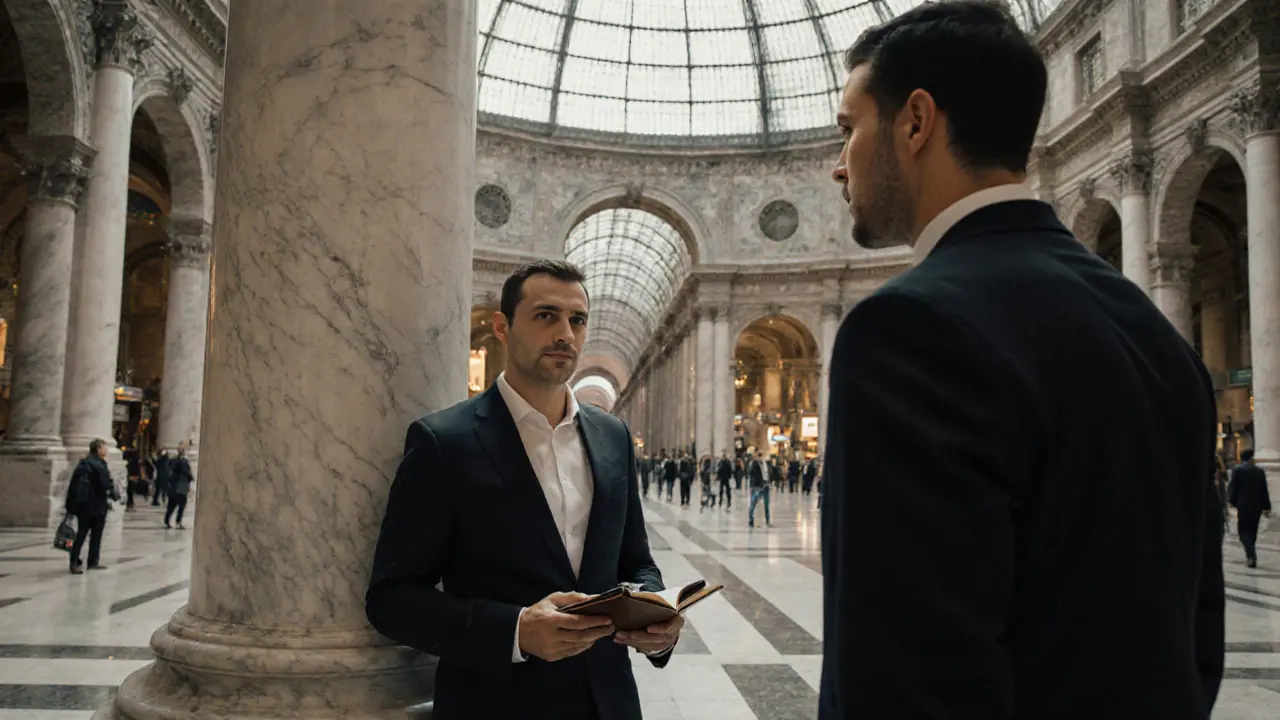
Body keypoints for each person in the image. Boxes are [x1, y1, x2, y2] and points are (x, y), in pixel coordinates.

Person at [820, 3, 1223, 719]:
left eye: (850, 128)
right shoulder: (1156, 336)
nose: (837, 164)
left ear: (916, 122)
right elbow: (1195, 641)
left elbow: (904, 680)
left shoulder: (906, 331)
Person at [366, 260, 681, 720]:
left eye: (577, 320)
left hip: (607, 702)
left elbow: (636, 560)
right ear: (502, 327)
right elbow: (392, 600)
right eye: (545, 315)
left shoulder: (612, 437)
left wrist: (655, 617)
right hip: (495, 703)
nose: (565, 334)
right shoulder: (444, 443)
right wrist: (515, 630)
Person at [68, 438, 117, 573]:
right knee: (95, 534)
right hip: (95, 505)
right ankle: (92, 561)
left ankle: (74, 560)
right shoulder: (98, 464)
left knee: (82, 534)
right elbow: (105, 484)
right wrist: (114, 493)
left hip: (84, 505)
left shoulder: (85, 462)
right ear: (98, 449)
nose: (106, 450)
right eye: (104, 448)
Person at [1228, 449, 1272, 568]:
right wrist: (1267, 506)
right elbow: (1264, 490)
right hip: (1256, 506)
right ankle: (1251, 552)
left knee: (1243, 532)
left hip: (1243, 505)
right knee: (1253, 531)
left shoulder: (1238, 470)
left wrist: (1231, 502)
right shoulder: (1260, 471)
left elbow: (1233, 487)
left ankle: (1251, 555)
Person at [165, 443, 194, 529]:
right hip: (180, 487)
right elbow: (185, 471)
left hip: (176, 486)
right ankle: (177, 521)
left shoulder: (174, 460)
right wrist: (190, 476)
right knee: (180, 505)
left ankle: (168, 521)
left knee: (172, 506)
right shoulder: (182, 461)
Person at [747, 451, 770, 528]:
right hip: (756, 486)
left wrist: (768, 481)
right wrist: (754, 463)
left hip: (765, 485)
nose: (760, 457)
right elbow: (748, 472)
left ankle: (768, 521)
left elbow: (767, 473)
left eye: (761, 455)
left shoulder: (765, 463)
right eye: (758, 455)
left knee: (766, 504)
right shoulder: (753, 463)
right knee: (753, 503)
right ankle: (751, 520)